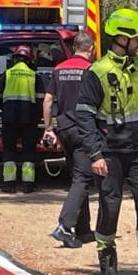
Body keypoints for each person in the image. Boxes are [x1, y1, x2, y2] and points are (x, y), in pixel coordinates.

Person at [76, 8, 138, 275]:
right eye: (137, 38)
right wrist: (95, 154)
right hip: (110, 152)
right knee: (110, 205)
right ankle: (108, 264)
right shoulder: (97, 72)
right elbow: (85, 117)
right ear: (122, 38)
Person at [43, 30, 97, 249]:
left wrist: (49, 129)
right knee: (83, 179)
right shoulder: (91, 70)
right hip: (84, 130)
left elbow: (48, 101)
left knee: (78, 177)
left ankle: (83, 230)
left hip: (64, 130)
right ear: (91, 49)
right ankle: (65, 226)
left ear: (75, 48)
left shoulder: (59, 69)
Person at [0, 44, 41, 193]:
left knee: (9, 149)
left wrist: (4, 108)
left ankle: (9, 184)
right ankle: (28, 185)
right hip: (29, 120)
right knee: (29, 150)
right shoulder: (34, 76)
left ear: (14, 59)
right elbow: (41, 100)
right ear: (29, 60)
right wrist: (36, 115)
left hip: (9, 119)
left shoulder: (7, 74)